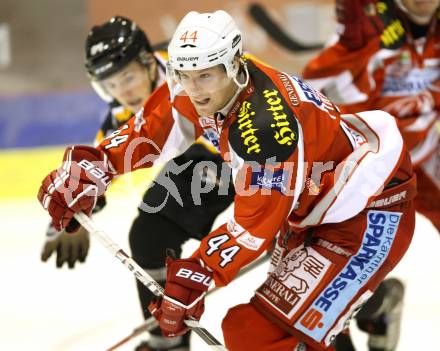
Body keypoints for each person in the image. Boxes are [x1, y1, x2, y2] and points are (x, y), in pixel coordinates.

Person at [37, 10, 417, 351]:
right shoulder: (198, 83)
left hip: (366, 211)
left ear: (234, 64)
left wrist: (198, 273)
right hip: (311, 204)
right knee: (276, 329)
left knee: (260, 333)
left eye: (205, 76)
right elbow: (150, 133)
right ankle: (375, 305)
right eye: (185, 76)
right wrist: (94, 168)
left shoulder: (266, 129)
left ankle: (374, 303)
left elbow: (252, 226)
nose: (195, 89)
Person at [39, 15, 234, 351]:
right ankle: (167, 341)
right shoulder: (121, 113)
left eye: (127, 76)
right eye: (110, 85)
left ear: (147, 61)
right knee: (149, 237)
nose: (123, 92)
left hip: (248, 158)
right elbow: (99, 164)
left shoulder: (186, 75)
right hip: (213, 164)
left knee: (153, 226)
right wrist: (74, 214)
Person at [302, 2, 440, 349]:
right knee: (331, 265)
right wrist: (365, 47)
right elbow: (315, 93)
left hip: (425, 154)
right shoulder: (367, 24)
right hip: (370, 167)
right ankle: (373, 311)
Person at [303, 0, 440, 234]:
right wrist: (368, 48)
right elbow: (315, 88)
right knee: (338, 235)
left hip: (422, 150)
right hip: (368, 158)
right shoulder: (369, 27)